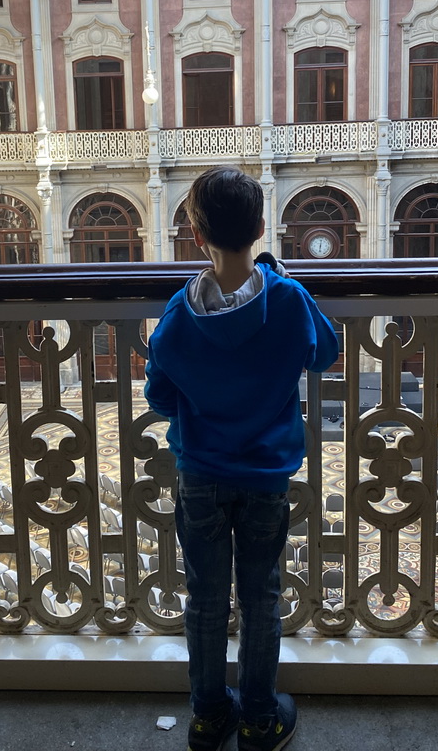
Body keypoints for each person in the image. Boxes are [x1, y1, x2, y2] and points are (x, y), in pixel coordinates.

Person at [145, 166, 338, 751]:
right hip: (265, 478)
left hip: (201, 475)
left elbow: (159, 397)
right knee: (260, 597)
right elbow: (325, 351)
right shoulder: (287, 300)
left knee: (205, 597)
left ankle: (207, 715)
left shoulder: (177, 320)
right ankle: (258, 716)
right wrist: (281, 280)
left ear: (196, 236)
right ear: (259, 227)